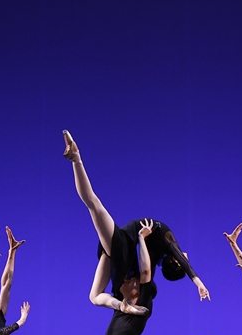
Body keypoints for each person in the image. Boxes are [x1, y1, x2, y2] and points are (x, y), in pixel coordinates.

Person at [63, 130, 209, 304]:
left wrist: (199, 283)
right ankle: (75, 157)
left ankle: (76, 158)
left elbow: (179, 262)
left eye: (181, 262)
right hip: (122, 245)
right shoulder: (159, 250)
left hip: (123, 247)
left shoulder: (166, 246)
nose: (186, 257)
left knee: (94, 205)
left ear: (175, 262)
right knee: (94, 296)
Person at [102, 220, 157, 335]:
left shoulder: (142, 306)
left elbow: (146, 272)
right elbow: (96, 296)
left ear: (140, 290)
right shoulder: (122, 306)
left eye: (133, 281)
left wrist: (141, 238)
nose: (127, 280)